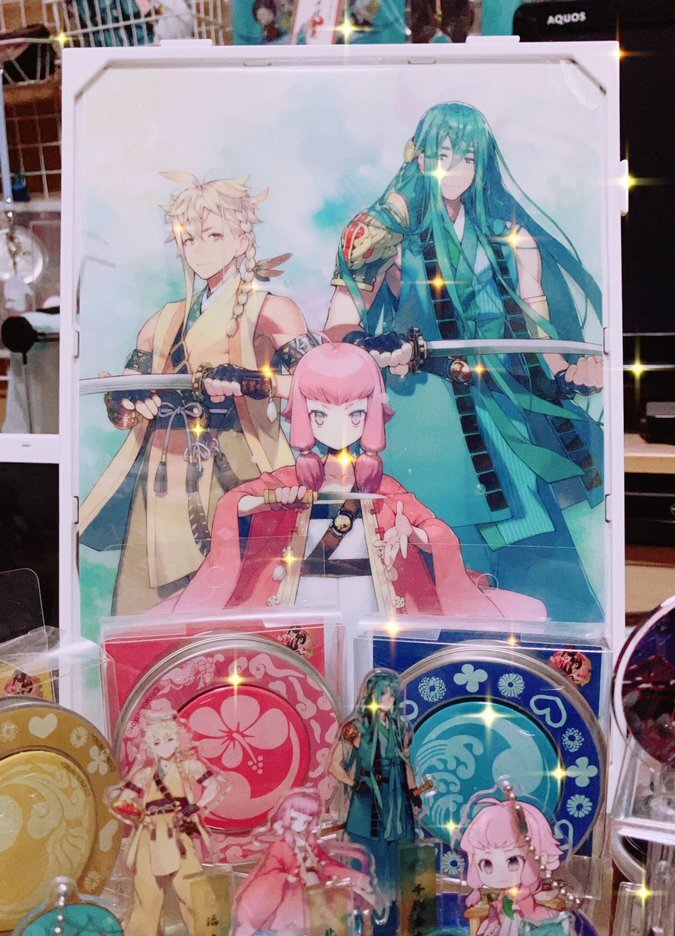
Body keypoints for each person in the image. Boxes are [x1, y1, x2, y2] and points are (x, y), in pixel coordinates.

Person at [326, 102, 605, 622]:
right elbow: (340, 325)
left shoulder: (507, 235)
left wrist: (569, 373)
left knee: (537, 552)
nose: (454, 169)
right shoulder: (388, 234)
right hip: (425, 413)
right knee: (436, 550)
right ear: (420, 158)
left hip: (503, 405)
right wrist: (377, 343)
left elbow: (536, 330)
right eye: (443, 154)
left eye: (468, 158)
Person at [156, 341, 546, 624]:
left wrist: (412, 532)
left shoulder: (384, 488)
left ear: (371, 414)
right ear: (305, 415)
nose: (339, 427)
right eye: (321, 415)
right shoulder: (291, 479)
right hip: (302, 597)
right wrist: (269, 500)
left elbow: (435, 531)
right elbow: (234, 504)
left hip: (370, 597)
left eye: (355, 414)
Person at [80, 174, 317, 613]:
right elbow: (124, 407)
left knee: (242, 599)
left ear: (242, 239)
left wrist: (254, 381)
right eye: (189, 238)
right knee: (146, 611)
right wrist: (126, 398)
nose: (199, 249)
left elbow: (324, 385)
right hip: (160, 476)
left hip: (236, 466)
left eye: (214, 235)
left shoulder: (272, 311)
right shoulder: (163, 321)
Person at [231, 789, 376, 936]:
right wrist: (288, 877)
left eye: (307, 819)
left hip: (315, 896)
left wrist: (354, 877)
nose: (302, 823)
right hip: (291, 902)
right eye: (296, 817)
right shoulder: (281, 846)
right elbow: (272, 870)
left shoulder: (310, 844)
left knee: (327, 934)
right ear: (286, 816)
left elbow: (326, 865)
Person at [105, 712, 220, 936]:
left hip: (177, 831)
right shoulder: (145, 775)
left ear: (177, 740)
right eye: (157, 742)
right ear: (150, 747)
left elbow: (213, 785)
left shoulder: (189, 767)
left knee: (192, 886)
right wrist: (137, 814)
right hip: (150, 835)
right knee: (147, 891)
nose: (164, 746)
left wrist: (196, 806)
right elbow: (122, 800)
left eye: (169, 739)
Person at [329, 668, 426, 901]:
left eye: (392, 695)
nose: (388, 700)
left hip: (397, 799)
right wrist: (354, 784)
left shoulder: (400, 727)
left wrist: (414, 793)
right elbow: (334, 765)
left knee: (401, 853)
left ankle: (399, 906)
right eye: (383, 694)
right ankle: (368, 907)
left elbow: (405, 764)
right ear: (372, 695)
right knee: (369, 855)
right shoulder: (355, 727)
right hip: (368, 797)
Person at [460, 796, 563, 936]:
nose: (499, 875)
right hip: (510, 919)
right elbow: (501, 902)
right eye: (487, 864)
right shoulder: (507, 892)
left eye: (513, 861)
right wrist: (495, 906)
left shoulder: (526, 889)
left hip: (526, 918)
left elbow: (525, 899)